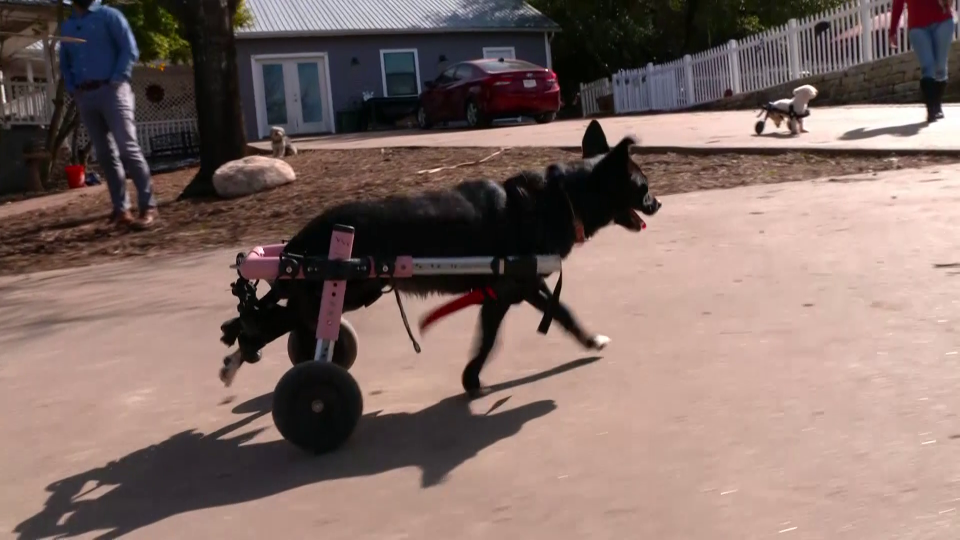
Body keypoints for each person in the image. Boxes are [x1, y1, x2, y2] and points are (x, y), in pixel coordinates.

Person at [59, 0, 158, 229]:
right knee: (104, 154)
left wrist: (117, 79)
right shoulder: (68, 26)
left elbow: (129, 48)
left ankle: (148, 206)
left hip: (113, 91)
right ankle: (121, 209)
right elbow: (65, 61)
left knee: (127, 148)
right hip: (86, 96)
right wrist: (74, 88)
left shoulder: (110, 16)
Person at [889, 0, 955, 123]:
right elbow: (898, 3)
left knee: (940, 67)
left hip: (943, 20)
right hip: (917, 26)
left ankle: (937, 105)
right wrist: (893, 30)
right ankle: (932, 109)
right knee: (927, 67)